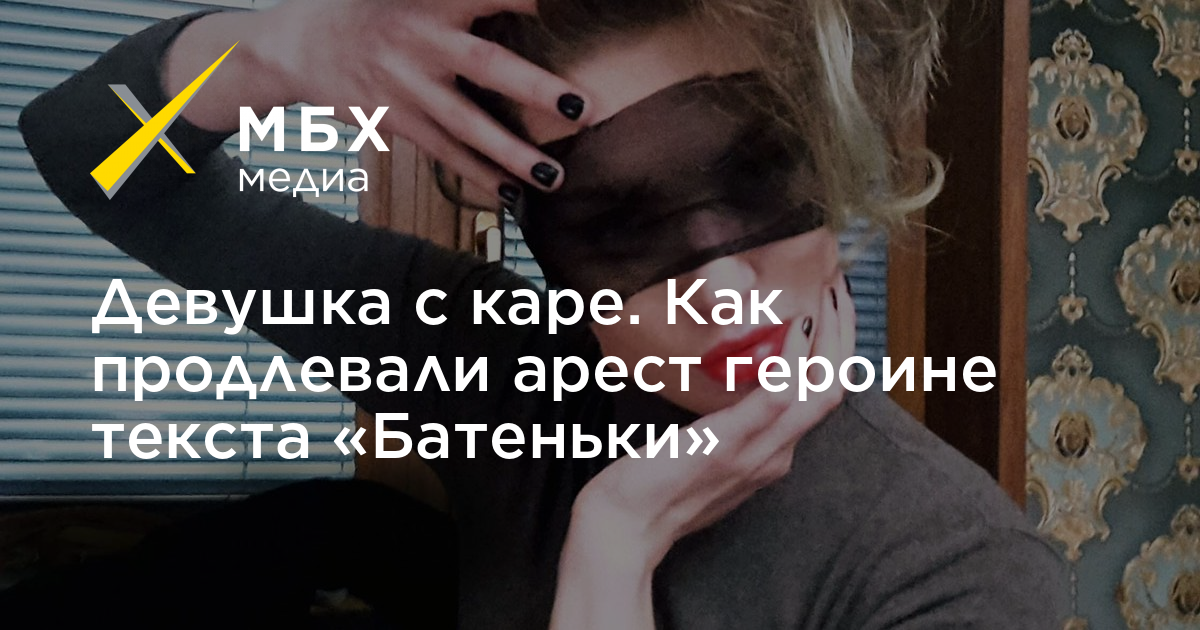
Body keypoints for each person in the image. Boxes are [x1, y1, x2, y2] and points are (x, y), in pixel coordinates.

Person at [18, 0, 1069, 627]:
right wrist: (279, 51)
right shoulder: (507, 375)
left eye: (760, 178)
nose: (722, 291)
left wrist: (617, 548)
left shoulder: (950, 570)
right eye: (617, 224)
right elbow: (97, 155)